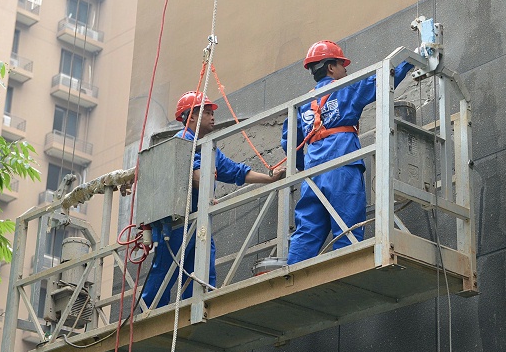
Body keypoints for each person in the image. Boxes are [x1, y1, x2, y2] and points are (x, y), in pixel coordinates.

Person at [142, 91, 285, 308]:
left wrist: (269, 178)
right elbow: (195, 175)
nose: (212, 117)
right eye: (206, 113)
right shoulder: (181, 143)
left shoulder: (209, 148)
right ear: (190, 117)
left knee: (202, 268)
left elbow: (236, 171)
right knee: (167, 267)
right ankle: (148, 311)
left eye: (211, 113)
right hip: (178, 221)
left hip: (198, 221)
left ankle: (196, 305)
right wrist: (207, 190)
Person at [282, 41, 413, 264]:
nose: (346, 70)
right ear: (331, 67)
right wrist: (410, 61)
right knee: (347, 227)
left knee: (307, 230)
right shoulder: (346, 88)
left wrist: (306, 167)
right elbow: (381, 81)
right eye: (342, 65)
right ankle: (345, 271)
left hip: (313, 177)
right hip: (342, 167)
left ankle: (291, 278)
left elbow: (288, 141)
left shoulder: (302, 104)